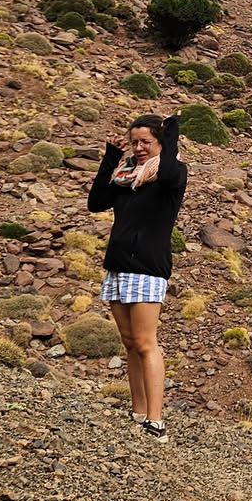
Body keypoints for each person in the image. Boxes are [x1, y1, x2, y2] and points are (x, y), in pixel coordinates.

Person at [87, 112, 186, 443]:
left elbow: (168, 170)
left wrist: (171, 135)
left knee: (145, 343)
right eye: (134, 142)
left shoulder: (171, 174)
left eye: (147, 142)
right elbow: (96, 203)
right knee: (130, 343)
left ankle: (156, 421)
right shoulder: (125, 177)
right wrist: (111, 157)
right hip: (117, 266)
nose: (139, 148)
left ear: (160, 142)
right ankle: (138, 411)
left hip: (147, 268)